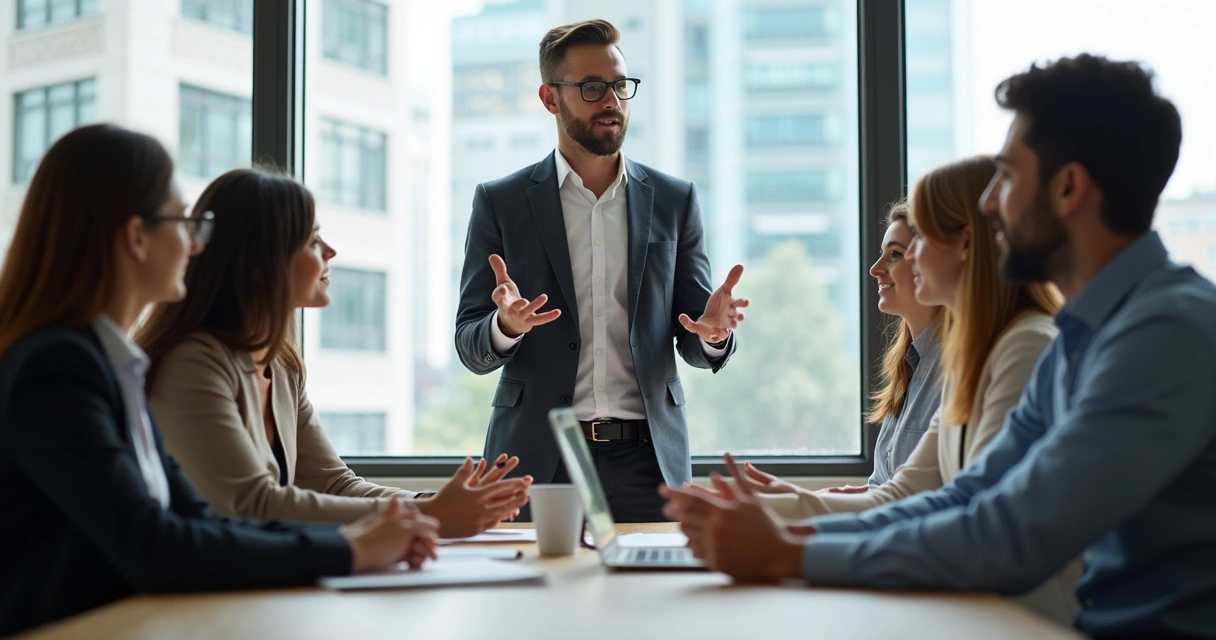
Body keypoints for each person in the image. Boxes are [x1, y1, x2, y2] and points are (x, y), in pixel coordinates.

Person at [662, 55, 1216, 638]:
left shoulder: (1164, 333)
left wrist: (787, 555)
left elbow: (1011, 532)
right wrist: (789, 538)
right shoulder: (1079, 340)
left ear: (1069, 187)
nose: (988, 202)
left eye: (1006, 175)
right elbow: (966, 498)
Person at [0, 124, 438, 637]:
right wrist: (353, 547)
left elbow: (201, 521)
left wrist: (371, 534)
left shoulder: (111, 366)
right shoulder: (58, 368)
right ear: (137, 237)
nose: (194, 244)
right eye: (184, 224)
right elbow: (155, 545)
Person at [698, 156, 1077, 623]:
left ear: (965, 244)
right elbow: (905, 496)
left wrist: (786, 545)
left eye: (916, 245)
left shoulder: (1027, 346)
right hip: (976, 610)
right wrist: (766, 510)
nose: (905, 260)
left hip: (1020, 621)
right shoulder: (976, 354)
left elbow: (976, 524)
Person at [455, 19, 747, 522]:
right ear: (550, 98)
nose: (611, 100)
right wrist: (505, 327)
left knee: (654, 596)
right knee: (537, 597)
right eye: (592, 88)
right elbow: (470, 346)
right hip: (539, 461)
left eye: (620, 86)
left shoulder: (675, 200)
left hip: (650, 462)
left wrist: (715, 335)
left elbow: (695, 336)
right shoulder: (500, 202)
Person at [138, 167, 531, 539]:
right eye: (312, 241)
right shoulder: (194, 364)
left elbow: (331, 483)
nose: (331, 251)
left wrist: (431, 503)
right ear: (259, 265)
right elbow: (252, 504)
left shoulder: (281, 365)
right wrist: (429, 516)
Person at [723, 201, 946, 512]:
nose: (875, 268)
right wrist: (837, 497)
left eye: (894, 254)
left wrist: (797, 505)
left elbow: (919, 501)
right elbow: (891, 488)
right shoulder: (912, 366)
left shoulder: (955, 369)